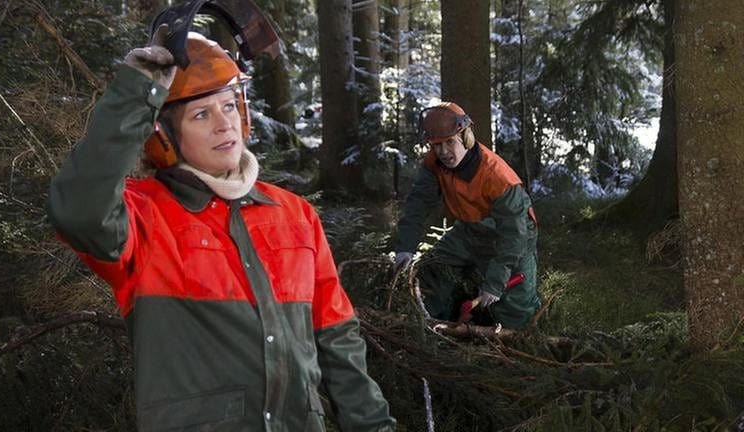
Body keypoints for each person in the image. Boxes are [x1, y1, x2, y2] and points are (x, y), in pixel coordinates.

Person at [47, 28, 395, 432]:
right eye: (201, 114)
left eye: (229, 106)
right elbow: (77, 213)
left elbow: (337, 337)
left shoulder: (293, 214)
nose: (223, 124)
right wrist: (135, 93)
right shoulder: (142, 217)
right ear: (163, 136)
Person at [393, 102, 540, 330]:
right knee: (433, 270)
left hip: (513, 237)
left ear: (465, 135)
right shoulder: (434, 164)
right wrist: (405, 247)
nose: (443, 152)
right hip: (470, 230)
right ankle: (434, 327)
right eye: (436, 145)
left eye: (449, 142)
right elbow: (417, 204)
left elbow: (514, 234)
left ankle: (509, 347)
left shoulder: (498, 177)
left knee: (515, 309)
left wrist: (495, 283)